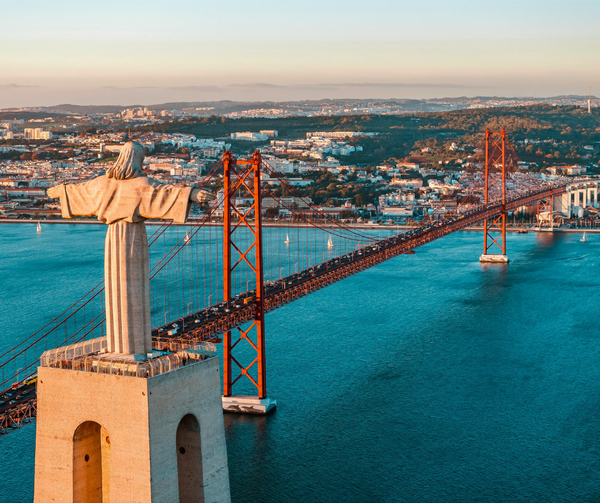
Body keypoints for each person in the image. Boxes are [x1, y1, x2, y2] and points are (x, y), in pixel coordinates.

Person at [47, 141, 214, 358]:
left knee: (121, 289)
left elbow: (80, 191)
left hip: (114, 237)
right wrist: (192, 194)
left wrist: (61, 192)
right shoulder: (141, 184)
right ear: (138, 159)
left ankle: (126, 350)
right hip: (134, 237)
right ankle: (131, 352)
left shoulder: (103, 183)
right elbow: (166, 193)